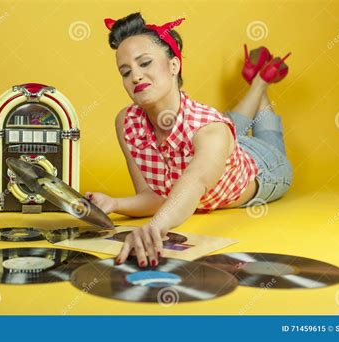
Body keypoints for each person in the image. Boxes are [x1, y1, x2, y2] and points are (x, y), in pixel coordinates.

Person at [85, 12, 293, 267]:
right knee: (226, 129)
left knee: (247, 137)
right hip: (220, 146)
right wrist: (114, 203)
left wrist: (154, 228)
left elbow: (194, 183)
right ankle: (258, 83)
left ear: (174, 66)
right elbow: (155, 197)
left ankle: (260, 83)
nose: (135, 77)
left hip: (263, 168)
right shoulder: (126, 123)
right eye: (125, 71)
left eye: (145, 63)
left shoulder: (211, 130)